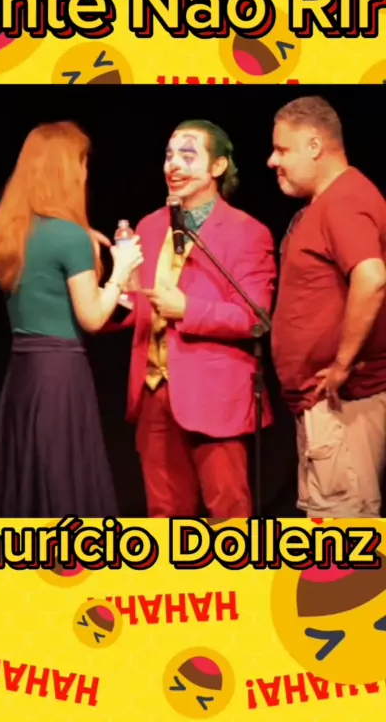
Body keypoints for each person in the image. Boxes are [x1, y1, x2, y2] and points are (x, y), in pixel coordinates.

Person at [114, 120, 277, 518]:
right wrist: (110, 291)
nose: (174, 165)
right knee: (164, 516)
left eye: (188, 156)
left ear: (218, 167)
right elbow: (138, 305)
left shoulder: (247, 232)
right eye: (169, 155)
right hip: (154, 393)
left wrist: (188, 309)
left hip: (214, 396)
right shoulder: (150, 226)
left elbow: (255, 317)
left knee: (228, 514)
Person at [0, 121, 143, 517]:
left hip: (24, 374)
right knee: (63, 483)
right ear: (69, 170)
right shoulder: (68, 237)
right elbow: (92, 317)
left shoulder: (11, 232)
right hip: (60, 377)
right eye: (83, 163)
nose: (86, 174)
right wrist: (122, 269)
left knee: (30, 484)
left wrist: (82, 240)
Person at [268, 95, 386, 518]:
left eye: (282, 149)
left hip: (343, 406)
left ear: (314, 145)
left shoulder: (344, 199)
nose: (272, 161)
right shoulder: (327, 203)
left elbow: (372, 278)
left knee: (344, 531)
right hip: (324, 409)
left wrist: (341, 364)